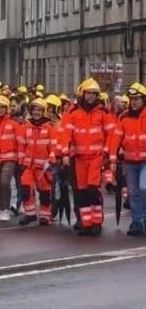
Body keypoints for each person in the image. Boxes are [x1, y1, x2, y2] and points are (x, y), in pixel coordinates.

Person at [57, 78, 115, 236]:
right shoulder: (73, 112)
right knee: (81, 192)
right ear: (82, 93)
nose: (91, 96)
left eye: (94, 94)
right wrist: (65, 153)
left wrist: (107, 152)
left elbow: (111, 134)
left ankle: (96, 222)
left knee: (92, 189)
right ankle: (85, 223)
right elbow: (65, 134)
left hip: (96, 157)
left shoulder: (103, 112)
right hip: (79, 159)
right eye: (88, 93)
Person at [109, 83, 146, 235]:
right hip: (130, 161)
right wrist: (112, 158)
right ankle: (137, 223)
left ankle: (143, 218)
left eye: (137, 99)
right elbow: (115, 139)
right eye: (132, 99)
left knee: (144, 188)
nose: (134, 102)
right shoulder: (124, 117)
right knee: (134, 193)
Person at [18, 98, 57, 226]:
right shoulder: (26, 126)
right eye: (34, 110)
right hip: (28, 166)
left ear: (44, 111)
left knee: (45, 193)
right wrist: (21, 162)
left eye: (39, 110)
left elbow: (53, 146)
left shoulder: (50, 128)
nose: (36, 112)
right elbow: (22, 146)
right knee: (25, 188)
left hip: (44, 167)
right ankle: (30, 214)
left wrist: (51, 160)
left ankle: (45, 215)